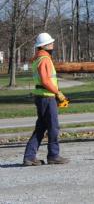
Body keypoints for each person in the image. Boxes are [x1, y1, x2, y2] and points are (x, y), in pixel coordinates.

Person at [22, 33, 69, 166]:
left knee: (41, 127)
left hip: (42, 97)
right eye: (50, 43)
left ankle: (29, 157)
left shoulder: (38, 59)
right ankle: (53, 155)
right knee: (53, 127)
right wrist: (58, 93)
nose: (53, 45)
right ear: (44, 46)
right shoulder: (44, 59)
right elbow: (45, 80)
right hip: (47, 98)